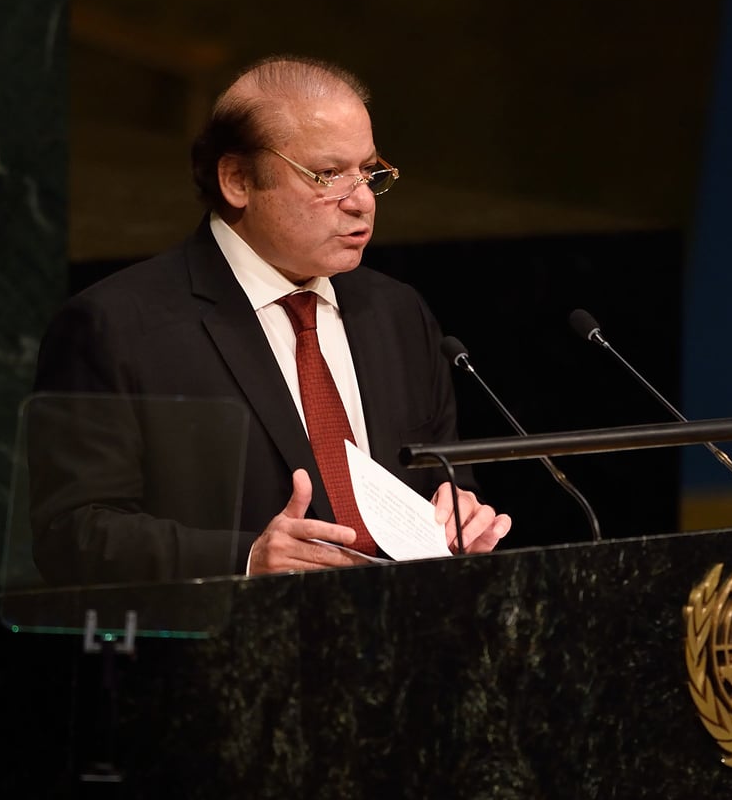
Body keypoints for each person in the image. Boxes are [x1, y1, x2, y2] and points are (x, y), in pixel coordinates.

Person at [30, 55, 511, 585]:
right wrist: (246, 559)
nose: (362, 203)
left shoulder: (396, 312)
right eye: (328, 174)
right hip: (229, 650)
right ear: (237, 180)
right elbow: (72, 534)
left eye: (369, 172)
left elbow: (444, 483)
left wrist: (461, 514)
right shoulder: (117, 326)